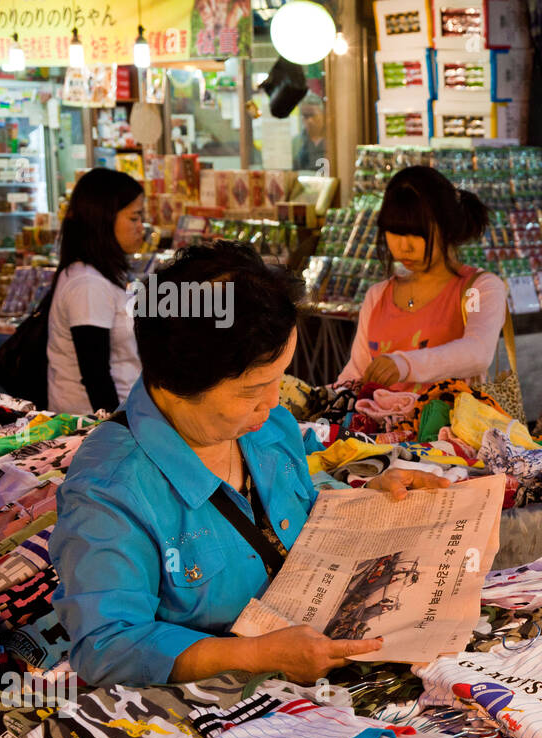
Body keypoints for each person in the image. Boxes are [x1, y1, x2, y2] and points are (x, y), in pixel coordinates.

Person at [50, 242, 446, 688]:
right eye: (253, 388)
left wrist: (367, 503)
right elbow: (106, 647)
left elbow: (291, 522)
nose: (275, 402)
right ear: (178, 381)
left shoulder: (267, 426)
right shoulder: (109, 490)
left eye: (280, 378)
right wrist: (254, 655)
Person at [337, 165, 507, 388]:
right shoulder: (378, 296)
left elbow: (477, 352)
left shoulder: (476, 289)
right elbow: (357, 373)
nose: (404, 246)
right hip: (381, 421)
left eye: (417, 234)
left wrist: (404, 364)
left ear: (446, 227)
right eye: (395, 232)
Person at [44, 167, 145, 415]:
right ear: (103, 219)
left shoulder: (102, 276)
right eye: (134, 218)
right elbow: (95, 375)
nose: (141, 227)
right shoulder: (88, 284)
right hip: (92, 426)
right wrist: (118, 427)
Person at [293, 96, 327, 171]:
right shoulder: (296, 143)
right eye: (305, 116)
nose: (309, 121)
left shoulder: (332, 140)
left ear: (323, 116)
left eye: (313, 115)